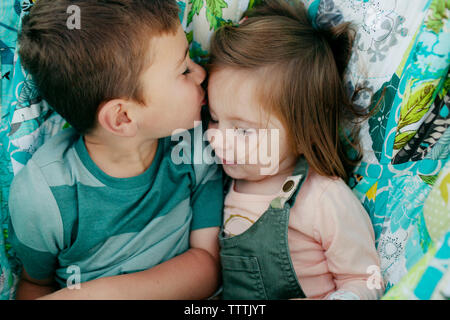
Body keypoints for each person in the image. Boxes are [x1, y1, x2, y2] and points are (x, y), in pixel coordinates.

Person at [8, 0, 223, 299]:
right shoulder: (44, 196)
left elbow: (208, 267)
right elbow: (35, 284)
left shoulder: (197, 148)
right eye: (184, 70)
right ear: (123, 117)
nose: (202, 74)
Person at [205, 0, 384, 300]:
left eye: (244, 130)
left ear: (303, 134)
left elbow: (365, 279)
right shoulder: (224, 179)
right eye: (213, 118)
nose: (217, 139)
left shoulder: (323, 199)